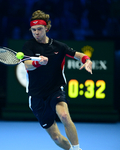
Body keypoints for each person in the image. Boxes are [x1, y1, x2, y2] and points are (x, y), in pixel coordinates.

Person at [22, 10, 93, 150]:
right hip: (36, 96)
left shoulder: (59, 47)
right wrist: (38, 63)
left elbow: (79, 55)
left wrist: (87, 60)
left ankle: (78, 149)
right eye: (33, 30)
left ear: (47, 28)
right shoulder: (28, 46)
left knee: (65, 115)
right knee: (56, 137)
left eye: (39, 29)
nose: (36, 33)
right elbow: (27, 65)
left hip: (55, 90)